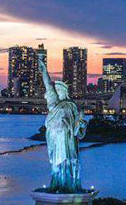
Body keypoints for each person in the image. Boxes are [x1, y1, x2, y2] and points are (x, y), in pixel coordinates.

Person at [37, 50, 88, 193]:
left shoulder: (71, 105)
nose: (57, 92)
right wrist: (43, 67)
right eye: (56, 90)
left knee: (69, 160)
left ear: (65, 92)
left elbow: (78, 124)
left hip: (67, 136)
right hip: (55, 136)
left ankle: (69, 185)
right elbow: (47, 84)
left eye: (59, 90)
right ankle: (58, 184)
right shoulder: (54, 102)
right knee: (56, 161)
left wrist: (80, 123)